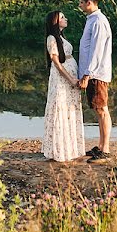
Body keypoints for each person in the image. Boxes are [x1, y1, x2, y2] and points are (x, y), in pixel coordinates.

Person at [40, 10, 85, 162]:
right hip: (62, 79)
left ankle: (71, 148)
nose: (66, 19)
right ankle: (59, 149)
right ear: (55, 21)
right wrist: (71, 79)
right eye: (62, 17)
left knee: (69, 109)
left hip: (69, 78)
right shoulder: (52, 38)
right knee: (60, 109)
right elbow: (57, 64)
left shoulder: (60, 37)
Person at [77, 0, 113, 162]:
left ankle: (105, 150)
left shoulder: (98, 21)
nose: (80, 5)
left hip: (96, 74)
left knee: (102, 110)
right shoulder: (92, 19)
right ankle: (100, 146)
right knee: (99, 110)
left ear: (89, 3)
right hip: (93, 74)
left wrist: (87, 74)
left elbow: (96, 51)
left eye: (81, 2)